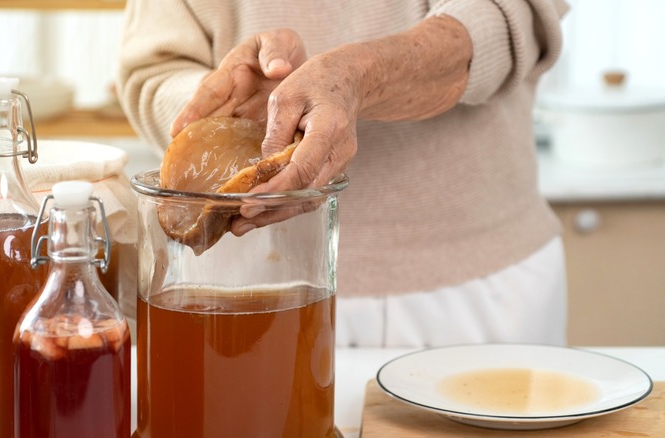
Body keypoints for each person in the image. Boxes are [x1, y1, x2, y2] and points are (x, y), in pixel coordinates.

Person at [117, 0, 570, 348]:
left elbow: (511, 15)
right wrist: (239, 113)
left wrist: (358, 76)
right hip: (243, 291)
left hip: (479, 283)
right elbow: (154, 69)